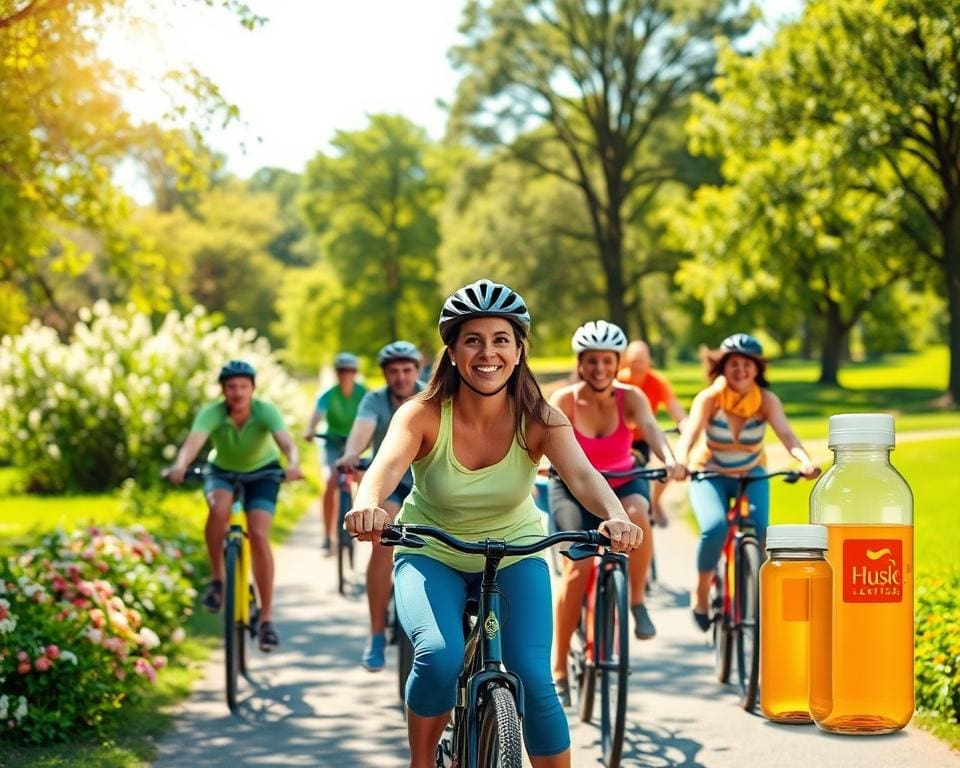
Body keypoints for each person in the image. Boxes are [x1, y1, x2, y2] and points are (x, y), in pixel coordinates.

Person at [345, 280, 643, 768]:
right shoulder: (421, 414)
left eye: (501, 339)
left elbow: (584, 476)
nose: (488, 353)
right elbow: (383, 470)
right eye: (473, 340)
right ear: (454, 351)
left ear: (519, 349)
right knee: (439, 657)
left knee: (532, 675)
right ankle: (421, 762)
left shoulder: (541, 419)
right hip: (430, 550)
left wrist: (614, 515)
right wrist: (369, 503)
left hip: (516, 552)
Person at [548, 322, 684, 700]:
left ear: (617, 362)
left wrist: (671, 459)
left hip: (624, 484)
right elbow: (542, 439)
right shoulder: (565, 400)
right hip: (573, 490)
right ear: (580, 362)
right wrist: (539, 465)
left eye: (607, 361)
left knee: (639, 512)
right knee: (578, 569)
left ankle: (637, 601)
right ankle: (558, 665)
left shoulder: (631, 397)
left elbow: (654, 432)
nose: (599, 369)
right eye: (591, 361)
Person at [673, 333, 820, 632]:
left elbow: (787, 435)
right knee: (714, 528)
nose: (740, 370)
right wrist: (680, 461)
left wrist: (803, 461)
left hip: (751, 473)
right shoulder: (710, 398)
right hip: (710, 472)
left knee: (761, 528)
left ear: (757, 369)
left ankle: (758, 594)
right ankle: (701, 591)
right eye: (734, 364)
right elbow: (690, 434)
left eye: (747, 364)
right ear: (723, 367)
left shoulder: (766, 400)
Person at [168, 360, 303, 652]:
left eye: (243, 386)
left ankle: (266, 620)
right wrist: (180, 465)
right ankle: (218, 580)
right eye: (232, 387)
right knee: (218, 510)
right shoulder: (212, 413)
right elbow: (193, 443)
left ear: (253, 388)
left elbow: (287, 443)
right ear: (223, 391)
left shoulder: (265, 411)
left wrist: (293, 464)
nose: (238, 392)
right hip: (222, 471)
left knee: (259, 533)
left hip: (263, 472)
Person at [336, 340, 424, 671]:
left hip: (426, 481)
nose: (401, 377)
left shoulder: (431, 396)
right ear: (385, 374)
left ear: (417, 371)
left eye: (407, 370)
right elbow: (362, 430)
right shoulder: (374, 400)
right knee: (383, 541)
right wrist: (351, 454)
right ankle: (375, 633)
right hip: (390, 480)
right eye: (393, 372)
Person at [617, 339, 688, 526]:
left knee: (669, 465)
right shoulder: (618, 380)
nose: (637, 367)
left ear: (649, 362)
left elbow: (675, 409)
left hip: (644, 440)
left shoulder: (657, 382)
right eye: (633, 362)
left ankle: (655, 503)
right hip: (618, 440)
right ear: (625, 362)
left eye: (641, 362)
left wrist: (684, 424)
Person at [302, 352, 367, 553]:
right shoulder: (328, 394)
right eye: (342, 371)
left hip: (355, 444)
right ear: (337, 373)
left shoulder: (364, 393)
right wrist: (309, 429)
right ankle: (327, 535)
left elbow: (371, 416)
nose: (346, 374)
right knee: (330, 480)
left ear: (355, 373)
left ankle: (361, 524)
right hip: (331, 443)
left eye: (350, 371)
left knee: (363, 478)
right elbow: (316, 415)